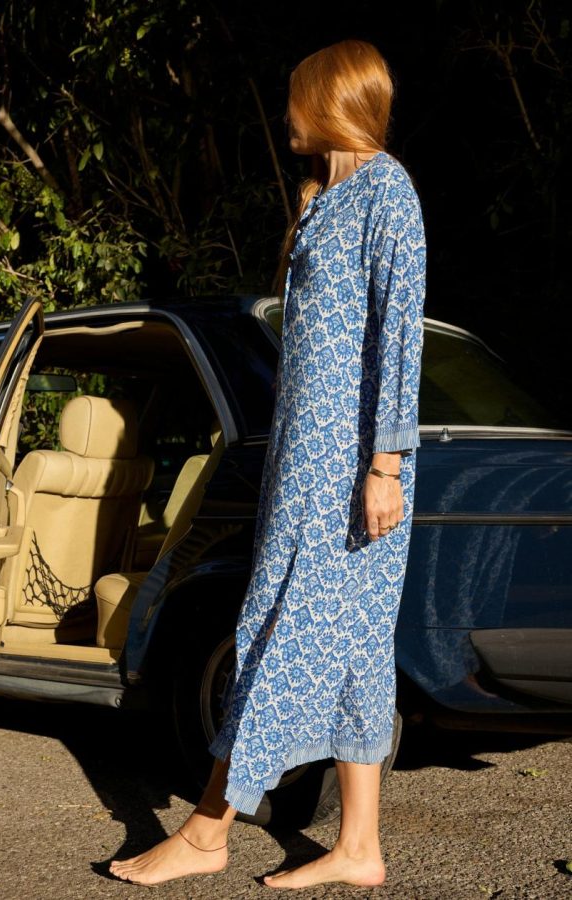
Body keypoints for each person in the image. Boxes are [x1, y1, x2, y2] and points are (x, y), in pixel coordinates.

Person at [109, 37, 426, 891]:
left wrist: (386, 465)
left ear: (333, 100)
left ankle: (208, 828)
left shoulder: (387, 190)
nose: (286, 112)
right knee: (357, 649)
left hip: (351, 470)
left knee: (275, 633)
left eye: (298, 97)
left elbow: (401, 334)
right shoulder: (325, 198)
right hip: (305, 466)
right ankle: (359, 848)